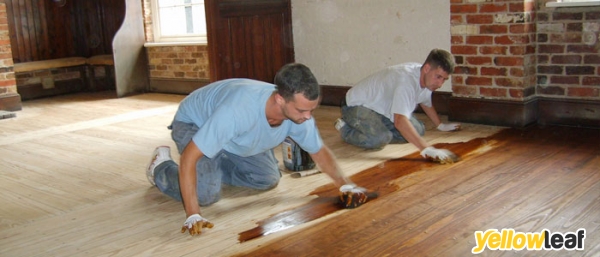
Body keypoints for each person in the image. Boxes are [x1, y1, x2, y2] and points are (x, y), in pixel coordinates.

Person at [146, 63, 368, 236]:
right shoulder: (237, 111)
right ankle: (161, 167)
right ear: (280, 98)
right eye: (302, 110)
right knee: (206, 193)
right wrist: (192, 214)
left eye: (312, 110)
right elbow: (189, 157)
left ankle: (213, 160)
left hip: (232, 135)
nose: (308, 117)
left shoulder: (300, 115)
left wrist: (345, 184)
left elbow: (318, 151)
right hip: (195, 122)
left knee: (267, 179)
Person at [335, 48, 461, 163]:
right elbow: (400, 121)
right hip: (357, 105)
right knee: (379, 139)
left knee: (418, 130)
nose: (440, 84)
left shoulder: (426, 79)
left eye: (444, 79)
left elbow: (426, 102)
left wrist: (440, 125)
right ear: (427, 68)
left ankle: (378, 128)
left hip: (382, 109)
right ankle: (345, 128)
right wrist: (426, 149)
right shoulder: (406, 82)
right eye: (438, 77)